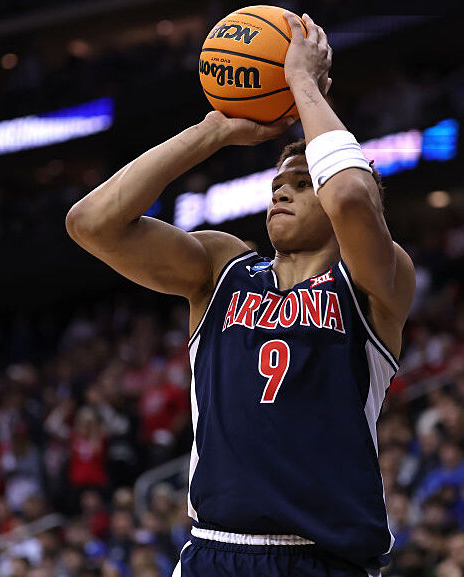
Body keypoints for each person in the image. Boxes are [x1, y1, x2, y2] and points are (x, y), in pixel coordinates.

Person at [65, 11, 415, 577]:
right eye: (279, 181)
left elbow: (350, 197)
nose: (282, 189)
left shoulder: (377, 279)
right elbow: (91, 223)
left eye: (304, 182)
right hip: (214, 551)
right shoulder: (222, 270)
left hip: (324, 560)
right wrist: (215, 130)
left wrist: (301, 84)